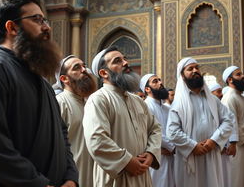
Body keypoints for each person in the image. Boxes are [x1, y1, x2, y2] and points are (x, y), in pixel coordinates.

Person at [0, 0, 78, 187]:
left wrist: (71, 177)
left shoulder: (41, 80)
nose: (46, 27)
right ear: (12, 27)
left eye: (44, 19)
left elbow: (61, 133)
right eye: (37, 19)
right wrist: (37, 183)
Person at [83, 46, 162, 187]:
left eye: (125, 59)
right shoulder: (98, 99)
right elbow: (97, 140)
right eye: (117, 61)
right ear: (104, 73)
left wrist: (151, 154)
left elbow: (155, 128)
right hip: (116, 178)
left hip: (142, 176)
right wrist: (126, 162)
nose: (126, 63)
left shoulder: (138, 100)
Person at [166, 57, 233, 187]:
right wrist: (193, 146)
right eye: (190, 69)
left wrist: (213, 140)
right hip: (190, 157)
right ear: (182, 76)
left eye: (197, 67)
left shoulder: (213, 100)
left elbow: (228, 120)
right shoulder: (178, 103)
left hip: (211, 155)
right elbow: (172, 132)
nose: (195, 70)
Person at [54, 55, 97, 187]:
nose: (84, 69)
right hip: (72, 178)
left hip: (94, 175)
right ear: (64, 79)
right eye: (77, 68)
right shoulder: (60, 102)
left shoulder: (90, 102)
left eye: (84, 65)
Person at [140, 74, 175, 187]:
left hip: (171, 156)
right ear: (147, 89)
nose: (160, 83)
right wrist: (173, 147)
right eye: (155, 81)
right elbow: (153, 132)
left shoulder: (167, 108)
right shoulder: (146, 106)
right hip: (156, 156)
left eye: (160, 80)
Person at [221, 66, 244, 187]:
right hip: (237, 146)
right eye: (238, 74)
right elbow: (232, 124)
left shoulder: (243, 98)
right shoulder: (229, 98)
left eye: (242, 74)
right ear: (230, 80)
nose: (243, 76)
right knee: (237, 180)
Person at [208, 81, 238, 187]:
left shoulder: (222, 106)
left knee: (226, 179)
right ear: (211, 93)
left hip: (225, 152)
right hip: (211, 150)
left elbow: (231, 122)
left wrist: (231, 143)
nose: (221, 94)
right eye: (218, 92)